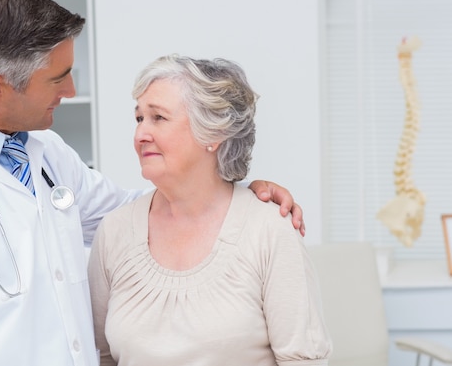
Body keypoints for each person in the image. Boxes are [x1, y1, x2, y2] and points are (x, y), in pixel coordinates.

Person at [0, 0, 305, 366]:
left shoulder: (45, 153)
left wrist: (236, 194)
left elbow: (139, 213)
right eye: (58, 78)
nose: (70, 90)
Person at [88, 55, 332, 366]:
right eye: (139, 119)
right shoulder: (115, 231)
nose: (140, 135)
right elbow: (100, 355)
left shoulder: (269, 229)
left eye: (158, 118)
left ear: (213, 134)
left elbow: (303, 360)